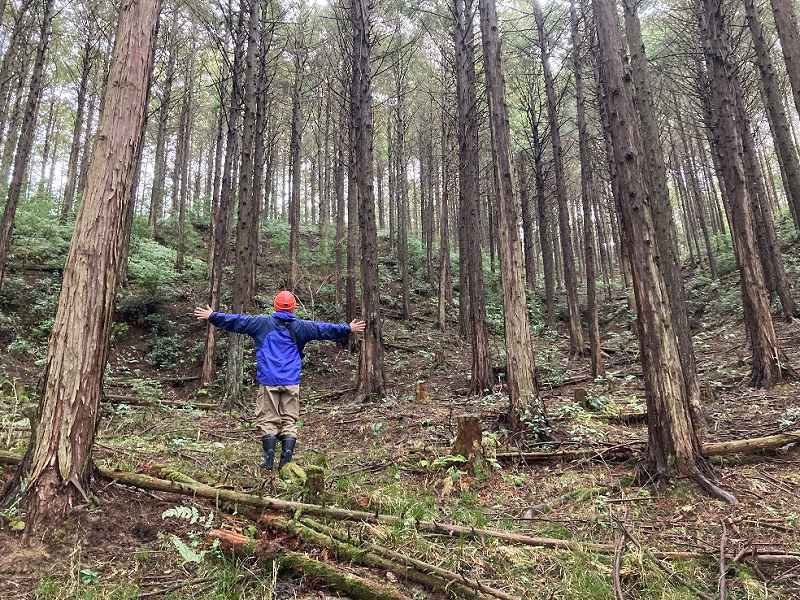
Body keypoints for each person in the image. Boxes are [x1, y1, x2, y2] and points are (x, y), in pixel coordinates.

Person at [194, 291, 365, 469]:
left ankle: (268, 459)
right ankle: (286, 458)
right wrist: (348, 328)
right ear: (293, 308)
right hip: (291, 380)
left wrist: (212, 316)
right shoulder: (302, 326)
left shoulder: (261, 323)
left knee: (268, 419)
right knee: (289, 420)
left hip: (269, 380)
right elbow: (323, 329)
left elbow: (236, 321)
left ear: (275, 306)